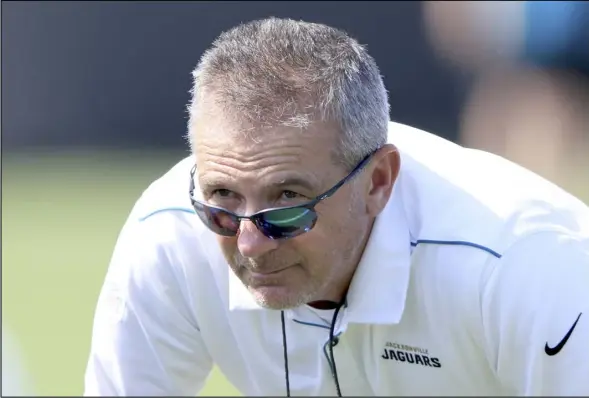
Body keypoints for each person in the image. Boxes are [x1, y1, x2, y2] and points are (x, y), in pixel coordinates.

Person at [84, 17, 589, 396]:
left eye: (287, 200)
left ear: (378, 182)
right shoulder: (169, 231)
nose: (249, 242)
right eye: (222, 199)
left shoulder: (529, 264)